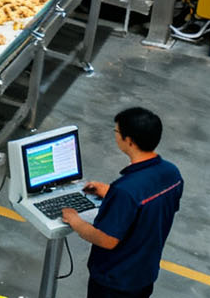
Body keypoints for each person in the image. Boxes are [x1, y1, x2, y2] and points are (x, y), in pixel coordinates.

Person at [62, 107, 184, 298]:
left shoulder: (126, 190)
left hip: (115, 282)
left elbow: (106, 239)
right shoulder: (172, 173)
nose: (116, 136)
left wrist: (75, 221)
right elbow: (151, 207)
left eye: (117, 131)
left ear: (129, 141)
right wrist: (110, 193)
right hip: (145, 274)